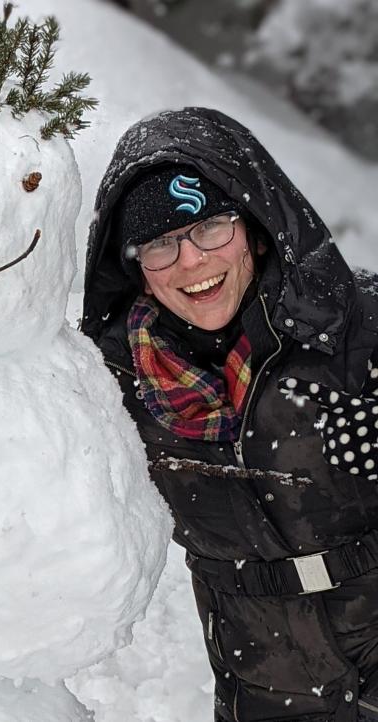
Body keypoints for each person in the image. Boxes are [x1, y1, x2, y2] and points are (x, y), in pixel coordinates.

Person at [80, 106, 378, 722]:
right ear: (134, 267)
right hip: (266, 691)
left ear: (257, 227)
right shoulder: (107, 379)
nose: (191, 261)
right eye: (160, 244)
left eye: (211, 227)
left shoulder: (359, 331)